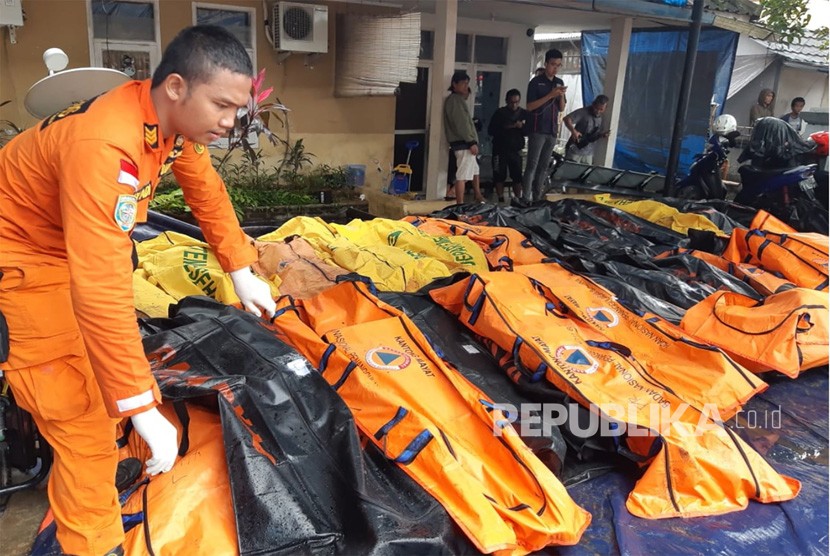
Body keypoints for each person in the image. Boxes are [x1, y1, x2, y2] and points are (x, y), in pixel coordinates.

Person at [0, 26, 277, 555]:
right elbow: (100, 289)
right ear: (176, 86)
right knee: (81, 432)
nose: (230, 121)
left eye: (238, 109)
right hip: (24, 266)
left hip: (65, 252)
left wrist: (241, 267)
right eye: (221, 105)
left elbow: (207, 191)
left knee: (99, 396)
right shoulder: (106, 145)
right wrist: (143, 408)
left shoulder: (165, 123)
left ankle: (104, 462)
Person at [523, 49, 567, 202]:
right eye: (553, 64)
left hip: (552, 130)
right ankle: (526, 198)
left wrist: (560, 96)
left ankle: (537, 197)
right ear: (546, 63)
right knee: (532, 165)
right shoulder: (536, 82)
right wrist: (550, 95)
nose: (555, 68)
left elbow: (561, 108)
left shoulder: (559, 82)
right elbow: (529, 106)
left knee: (544, 167)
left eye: (558, 65)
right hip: (537, 129)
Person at [444, 71, 484, 204]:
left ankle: (477, 196)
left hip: (465, 141)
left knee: (473, 171)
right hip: (463, 143)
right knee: (462, 174)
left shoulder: (458, 100)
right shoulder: (454, 100)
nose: (466, 87)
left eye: (467, 84)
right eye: (463, 84)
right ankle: (459, 203)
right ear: (454, 84)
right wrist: (471, 141)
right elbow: (461, 123)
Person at [488, 88, 529, 202]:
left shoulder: (524, 114)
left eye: (516, 102)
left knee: (517, 176)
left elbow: (529, 131)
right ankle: (500, 197)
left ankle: (518, 198)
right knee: (499, 175)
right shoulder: (500, 113)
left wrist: (522, 127)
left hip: (516, 149)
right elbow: (491, 130)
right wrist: (508, 126)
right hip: (500, 149)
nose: (514, 105)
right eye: (511, 102)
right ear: (507, 101)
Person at [563, 95, 610, 165]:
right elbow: (566, 119)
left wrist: (602, 135)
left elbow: (594, 134)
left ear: (605, 108)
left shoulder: (602, 118)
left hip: (589, 153)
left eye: (601, 109)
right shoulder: (583, 112)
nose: (598, 111)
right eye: (596, 108)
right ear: (593, 104)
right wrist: (573, 131)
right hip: (575, 150)